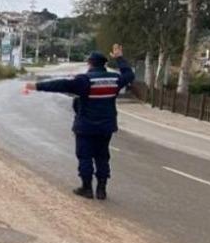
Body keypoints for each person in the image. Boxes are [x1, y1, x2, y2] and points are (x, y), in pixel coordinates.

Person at [23, 44, 135, 200]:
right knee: (102, 156)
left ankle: (87, 188)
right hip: (106, 127)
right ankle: (101, 190)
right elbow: (129, 75)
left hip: (86, 126)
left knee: (85, 156)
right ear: (104, 64)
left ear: (90, 64)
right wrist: (120, 58)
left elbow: (61, 84)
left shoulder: (85, 80)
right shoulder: (115, 80)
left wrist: (36, 86)